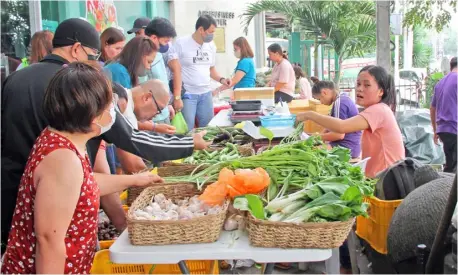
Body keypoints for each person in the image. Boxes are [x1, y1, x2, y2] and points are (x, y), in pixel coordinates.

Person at [1, 18, 210, 254]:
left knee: (19, 253)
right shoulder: (81, 86)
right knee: (53, 251)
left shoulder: (14, 80)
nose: (96, 64)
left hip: (13, 195)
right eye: (93, 55)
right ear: (77, 49)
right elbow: (130, 138)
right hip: (64, 200)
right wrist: (188, 142)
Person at [1, 62, 163, 273]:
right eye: (109, 106)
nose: (112, 112)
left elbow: (82, 183)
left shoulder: (66, 140)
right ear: (91, 114)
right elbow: (49, 241)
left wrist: (136, 179)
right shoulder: (62, 160)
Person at [297, 65, 405, 178]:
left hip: (387, 181)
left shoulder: (379, 110)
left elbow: (341, 127)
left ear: (380, 91)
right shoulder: (376, 109)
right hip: (379, 177)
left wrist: (310, 115)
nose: (359, 89)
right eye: (358, 84)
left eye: (367, 85)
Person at [168, 15, 231, 130]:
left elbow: (211, 69)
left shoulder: (211, 46)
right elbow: (174, 70)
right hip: (188, 94)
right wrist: (177, 97)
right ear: (201, 30)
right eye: (211, 32)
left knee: (208, 129)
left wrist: (222, 79)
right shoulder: (181, 44)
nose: (213, 35)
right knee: (187, 129)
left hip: (206, 94)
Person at [311, 80, 362, 159]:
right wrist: (318, 137)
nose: (321, 102)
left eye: (319, 99)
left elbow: (339, 135)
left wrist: (317, 137)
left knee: (311, 151)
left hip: (346, 147)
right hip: (348, 145)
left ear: (324, 92)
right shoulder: (342, 98)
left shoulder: (340, 103)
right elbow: (329, 126)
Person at [144, 17, 177, 126]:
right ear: (154, 38)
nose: (167, 45)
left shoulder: (157, 54)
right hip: (153, 118)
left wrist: (167, 105)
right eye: (165, 41)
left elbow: (162, 81)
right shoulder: (143, 58)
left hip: (164, 112)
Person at [430, 56, 457, 173]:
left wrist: (435, 130)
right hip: (455, 128)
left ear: (451, 67)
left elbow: (432, 108)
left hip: (444, 130)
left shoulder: (440, 83)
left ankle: (446, 189)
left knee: (450, 166)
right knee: (454, 169)